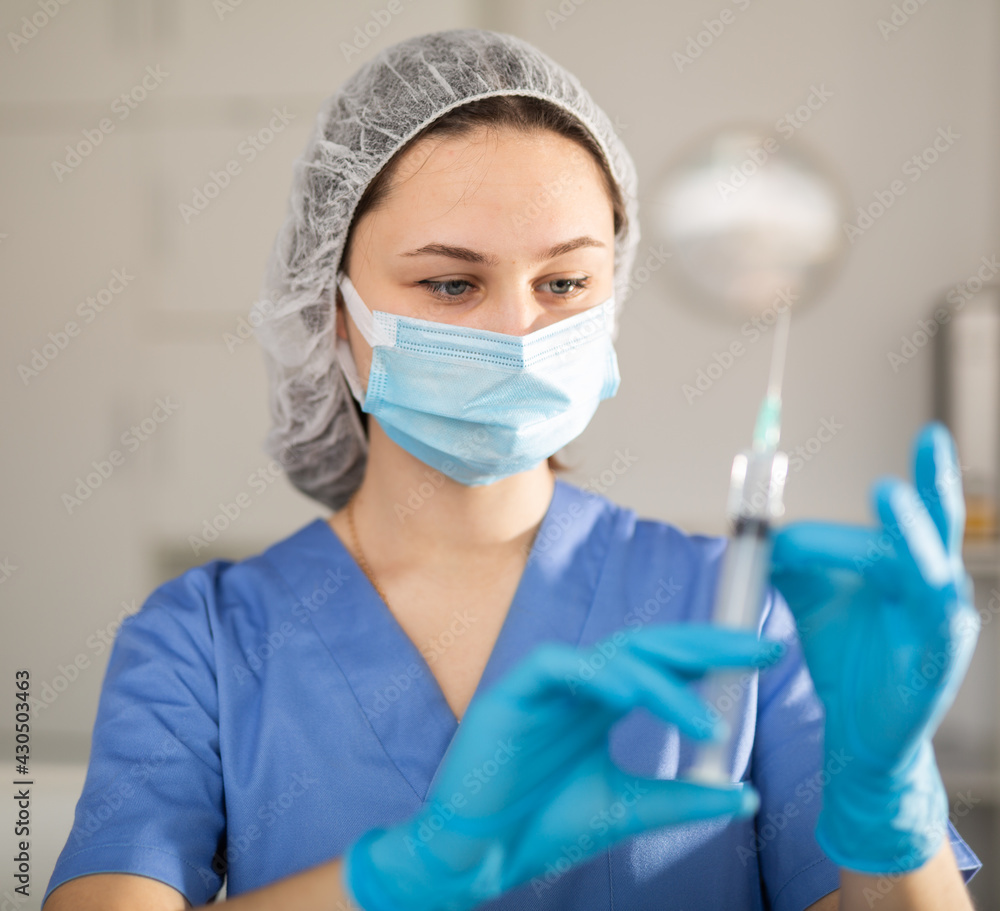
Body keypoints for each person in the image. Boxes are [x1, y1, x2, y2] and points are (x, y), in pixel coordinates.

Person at [43, 28, 982, 911]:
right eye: (451, 283)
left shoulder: (746, 615)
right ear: (330, 312)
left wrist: (888, 803)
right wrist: (402, 872)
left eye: (564, 283)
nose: (518, 332)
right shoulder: (202, 643)